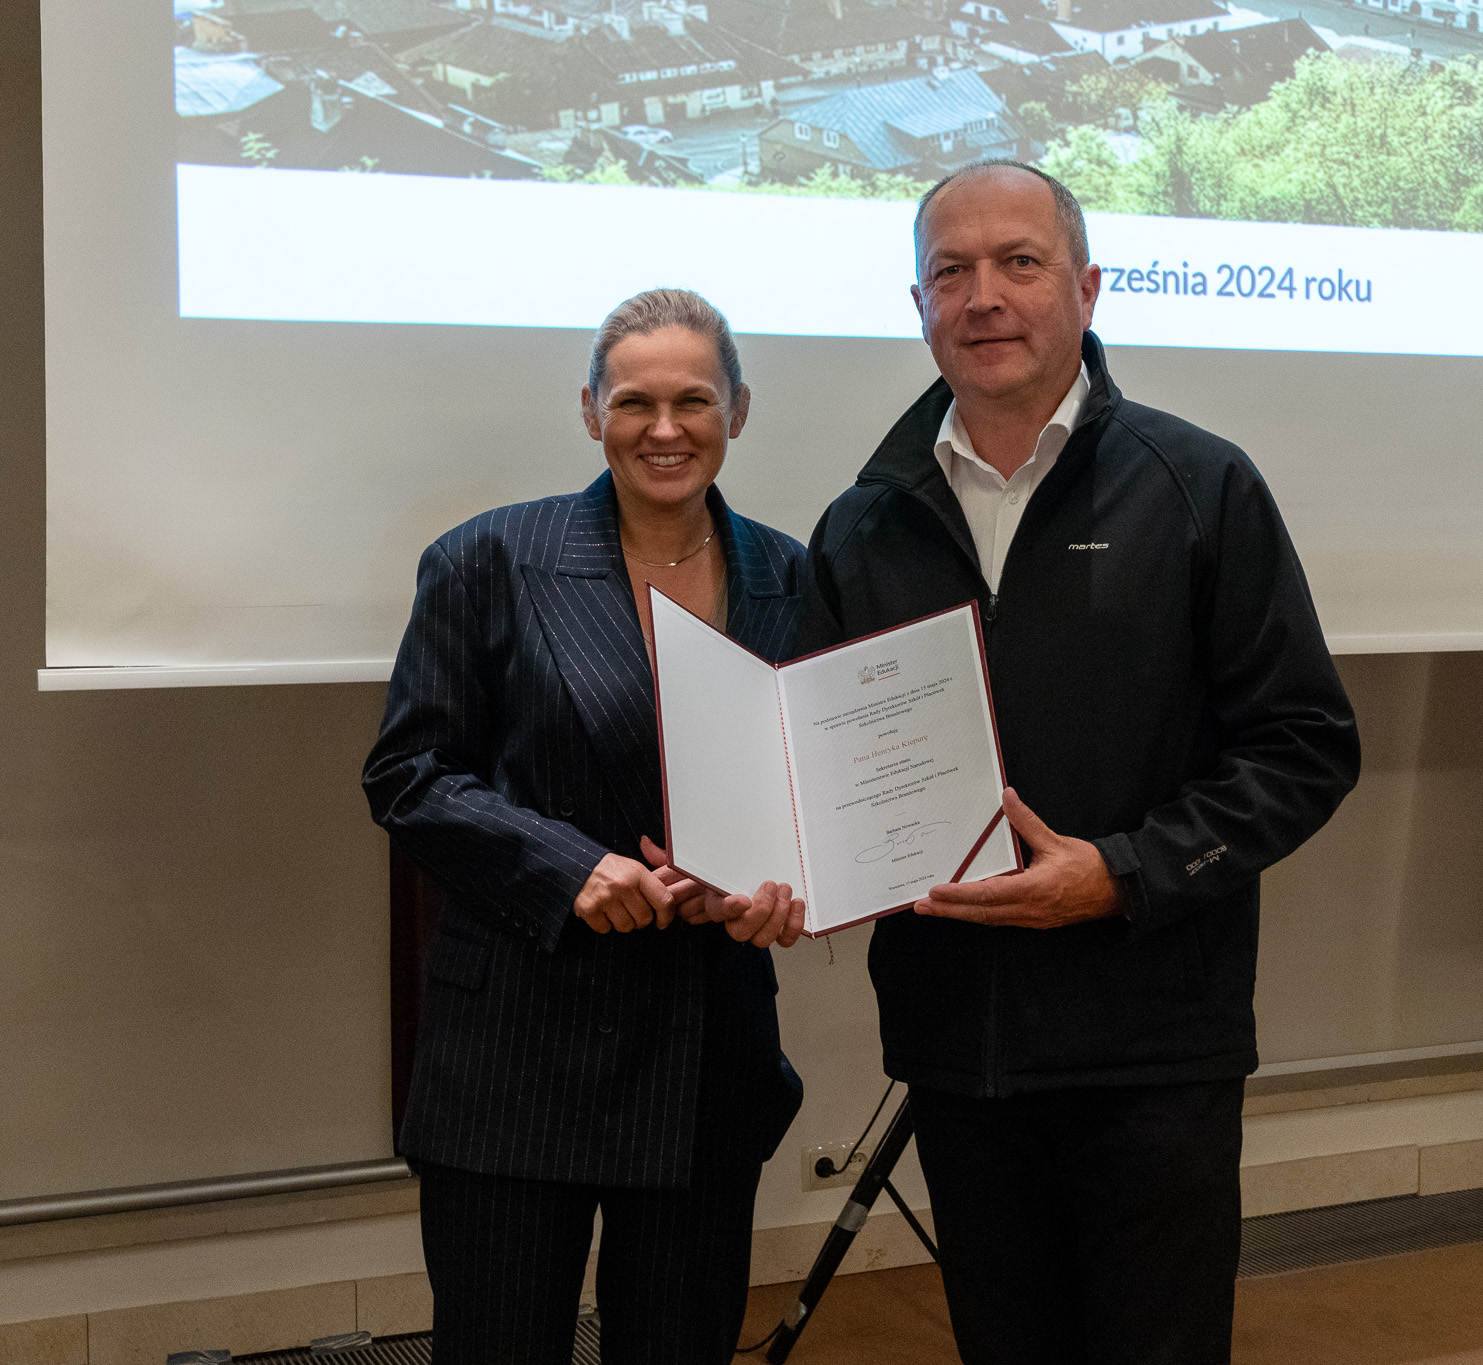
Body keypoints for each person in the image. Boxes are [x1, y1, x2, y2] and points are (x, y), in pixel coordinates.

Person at [800, 162, 1361, 1363]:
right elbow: (819, 763)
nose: (983, 297)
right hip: (956, 1045)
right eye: (951, 271)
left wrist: (1122, 874)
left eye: (1019, 263)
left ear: (1088, 290)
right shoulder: (861, 523)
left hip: (1149, 1038)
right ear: (917, 304)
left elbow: (1305, 744)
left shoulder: (1198, 485)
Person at [363, 288, 809, 1365]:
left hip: (707, 1055)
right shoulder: (487, 560)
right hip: (517, 1054)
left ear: (739, 411)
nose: (664, 429)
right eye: (633, 403)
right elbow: (408, 775)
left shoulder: (789, 574)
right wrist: (569, 868)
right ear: (589, 411)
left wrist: (783, 884)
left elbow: (802, 783)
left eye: (693, 400)